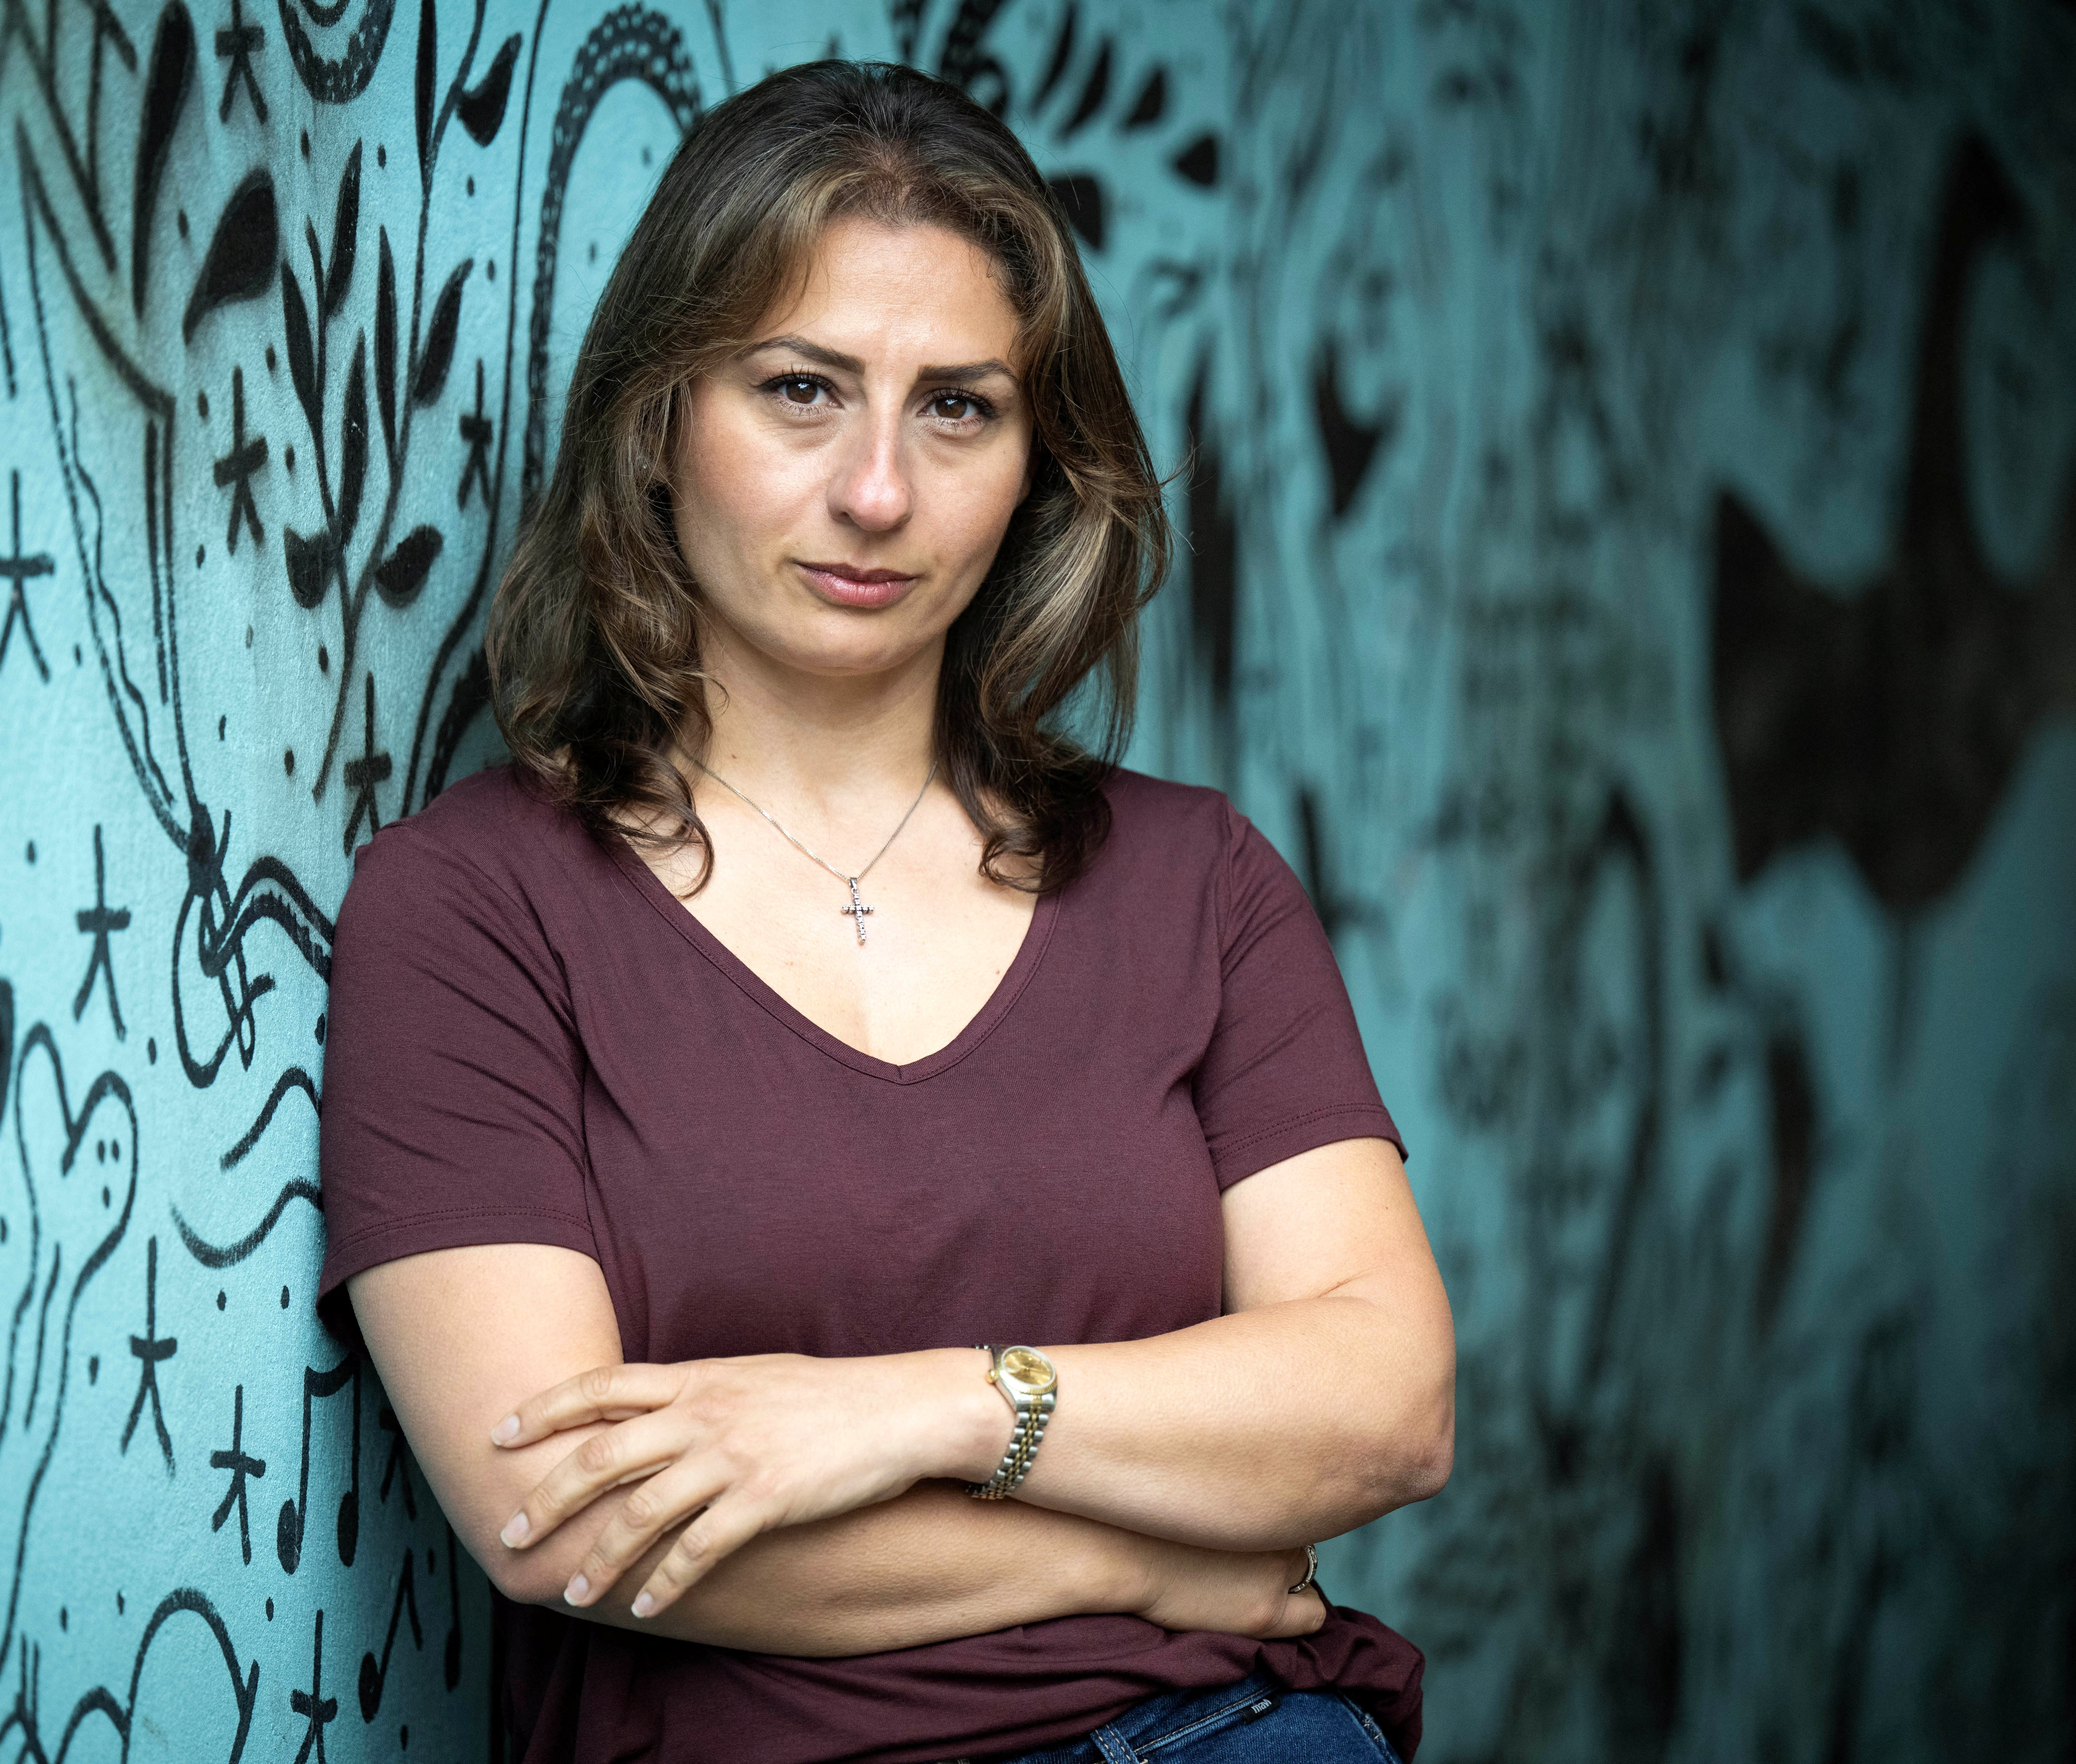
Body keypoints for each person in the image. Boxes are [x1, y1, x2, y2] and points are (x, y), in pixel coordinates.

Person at [317, 59, 1453, 1764]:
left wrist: (903, 1413)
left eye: (959, 408)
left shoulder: (1197, 882)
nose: (876, 493)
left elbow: (1387, 1405)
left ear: (1038, 468)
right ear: (660, 413)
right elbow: (564, 1512)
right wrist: (1149, 1550)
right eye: (800, 390)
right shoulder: (472, 911)